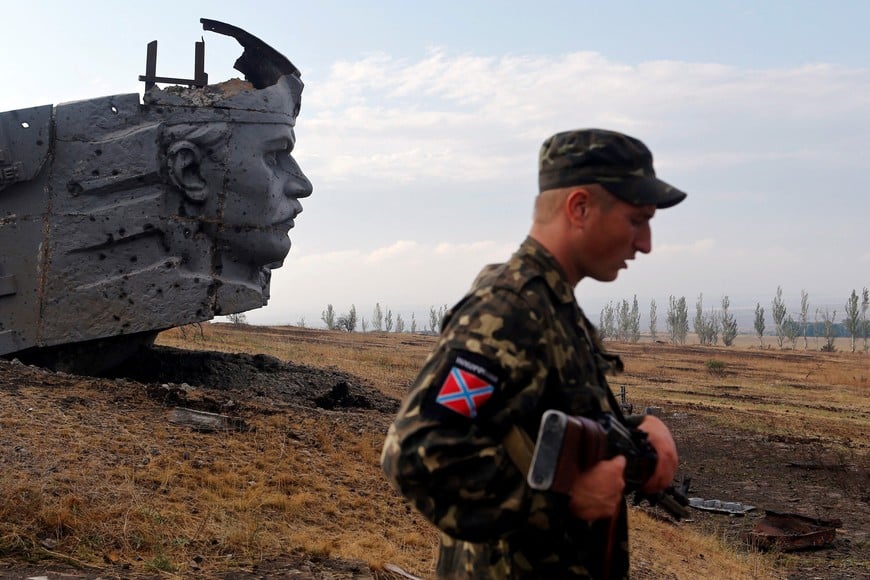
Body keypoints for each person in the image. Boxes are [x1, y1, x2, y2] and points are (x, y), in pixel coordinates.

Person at [381, 128, 685, 579]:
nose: (645, 243)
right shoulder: (507, 309)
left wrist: (637, 431)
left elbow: (543, 428)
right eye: (637, 220)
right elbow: (418, 453)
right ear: (579, 208)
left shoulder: (553, 307)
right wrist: (561, 499)